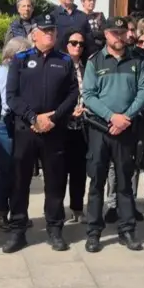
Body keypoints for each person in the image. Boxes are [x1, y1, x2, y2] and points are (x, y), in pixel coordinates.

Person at [3, 14, 78, 253]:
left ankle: (55, 229)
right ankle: (18, 230)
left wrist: (53, 118)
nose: (49, 34)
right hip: (26, 129)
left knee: (55, 182)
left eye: (52, 31)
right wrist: (33, 118)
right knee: (20, 181)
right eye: (45, 31)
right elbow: (12, 96)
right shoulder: (21, 59)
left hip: (54, 130)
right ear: (33, 34)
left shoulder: (64, 60)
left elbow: (72, 94)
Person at [83, 15, 144, 252]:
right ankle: (93, 232)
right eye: (114, 33)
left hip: (126, 129)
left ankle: (127, 231)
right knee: (97, 182)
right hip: (100, 129)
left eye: (122, 33)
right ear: (106, 35)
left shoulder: (137, 60)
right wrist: (112, 117)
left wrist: (126, 118)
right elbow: (89, 95)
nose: (119, 37)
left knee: (125, 183)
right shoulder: (95, 61)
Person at [0, 36, 30, 233]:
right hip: (5, 123)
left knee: (20, 170)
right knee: (7, 170)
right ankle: (1, 213)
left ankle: (18, 211)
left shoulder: (19, 70)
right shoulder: (4, 72)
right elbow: (4, 102)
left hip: (17, 122)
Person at [63, 31, 90, 224]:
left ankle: (77, 208)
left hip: (82, 125)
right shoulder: (59, 66)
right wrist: (68, 112)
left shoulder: (86, 66)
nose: (77, 46)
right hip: (63, 124)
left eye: (80, 43)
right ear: (66, 45)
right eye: (73, 43)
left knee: (79, 171)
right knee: (59, 172)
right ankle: (56, 211)